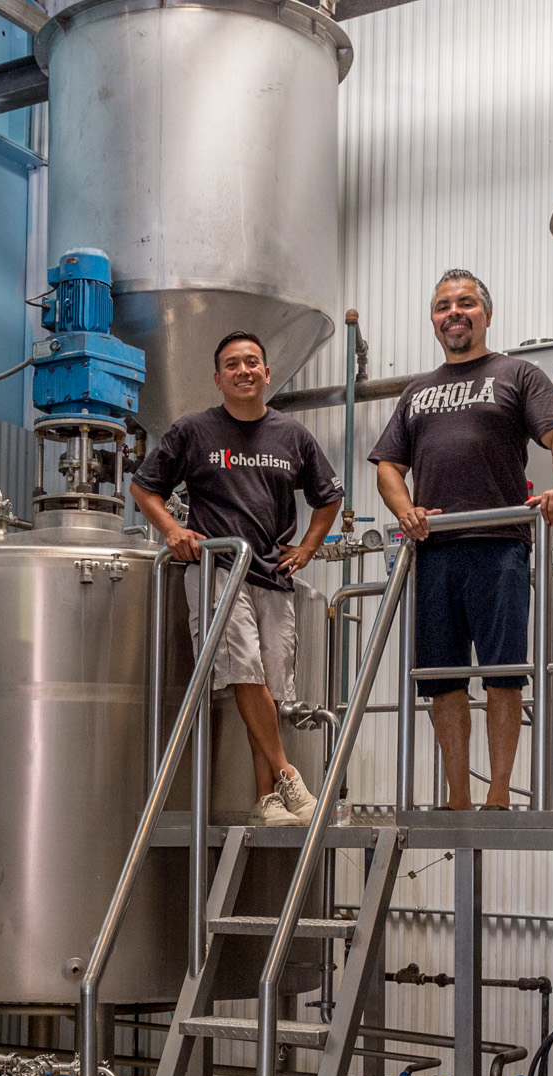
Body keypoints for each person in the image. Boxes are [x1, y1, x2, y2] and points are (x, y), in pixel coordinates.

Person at [370, 269, 553, 810]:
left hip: (499, 543)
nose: (454, 313)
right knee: (442, 679)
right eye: (443, 306)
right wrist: (405, 509)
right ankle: (458, 795)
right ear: (433, 320)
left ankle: (500, 792)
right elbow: (388, 465)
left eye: (465, 303)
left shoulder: (517, 374)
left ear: (486, 313)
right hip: (434, 550)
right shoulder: (416, 392)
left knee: (503, 673)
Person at [131, 331, 344, 826]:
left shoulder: (293, 436)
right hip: (219, 569)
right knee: (246, 672)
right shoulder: (194, 431)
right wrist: (172, 530)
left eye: (251, 363)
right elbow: (144, 488)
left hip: (273, 573)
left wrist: (308, 547)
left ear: (267, 373)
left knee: (270, 687)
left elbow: (329, 497)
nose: (243, 371)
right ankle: (289, 775)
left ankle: (266, 799)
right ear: (217, 378)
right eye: (232, 365)